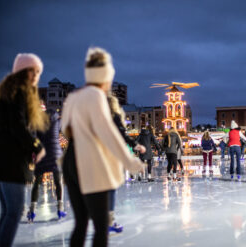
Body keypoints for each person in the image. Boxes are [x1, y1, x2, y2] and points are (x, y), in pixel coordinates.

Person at [61, 47, 144, 246]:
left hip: (70, 160)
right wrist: (130, 162)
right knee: (100, 226)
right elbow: (108, 133)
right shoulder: (97, 96)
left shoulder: (74, 97)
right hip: (89, 162)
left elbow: (65, 128)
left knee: (80, 223)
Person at [0, 53, 48, 247]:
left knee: (8, 212)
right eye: (32, 70)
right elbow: (18, 125)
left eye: (38, 71)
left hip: (0, 160)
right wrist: (36, 146)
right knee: (14, 212)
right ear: (22, 71)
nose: (35, 75)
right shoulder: (20, 92)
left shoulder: (6, 93)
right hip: (11, 162)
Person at [106, 94, 146, 234]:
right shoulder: (114, 117)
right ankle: (109, 221)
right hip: (109, 155)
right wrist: (136, 145)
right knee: (109, 187)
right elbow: (122, 134)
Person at [27, 109, 66, 222]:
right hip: (55, 155)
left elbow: (33, 135)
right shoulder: (57, 122)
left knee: (37, 183)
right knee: (58, 182)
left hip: (42, 154)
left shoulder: (37, 122)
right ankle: (60, 208)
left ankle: (32, 211)